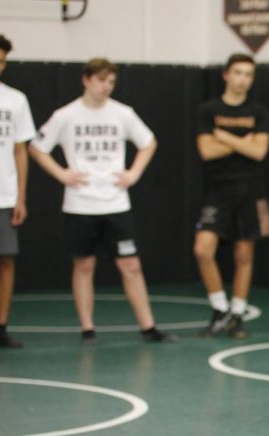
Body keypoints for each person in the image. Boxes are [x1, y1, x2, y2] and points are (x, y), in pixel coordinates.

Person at [29, 58, 175, 345]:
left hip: (116, 203)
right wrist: (61, 173)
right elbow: (37, 147)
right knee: (84, 265)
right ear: (86, 80)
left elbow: (149, 142)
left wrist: (133, 173)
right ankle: (87, 329)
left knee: (131, 264)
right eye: (100, 80)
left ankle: (148, 327)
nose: (105, 87)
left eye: (111, 82)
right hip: (80, 204)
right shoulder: (66, 115)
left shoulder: (122, 113)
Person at [194, 53, 269, 339]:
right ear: (226, 75)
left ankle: (236, 315)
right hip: (217, 190)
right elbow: (206, 151)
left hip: (251, 190)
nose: (243, 79)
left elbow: (259, 152)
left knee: (243, 253)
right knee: (203, 249)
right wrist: (243, 141)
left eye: (248, 74)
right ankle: (219, 309)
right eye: (238, 72)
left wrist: (223, 137)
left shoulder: (259, 112)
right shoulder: (208, 109)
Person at [0, 33, 35, 348]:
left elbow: (21, 151)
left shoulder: (15, 100)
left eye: (0, 61)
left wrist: (20, 196)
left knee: (5, 260)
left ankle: (1, 327)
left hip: (3, 194)